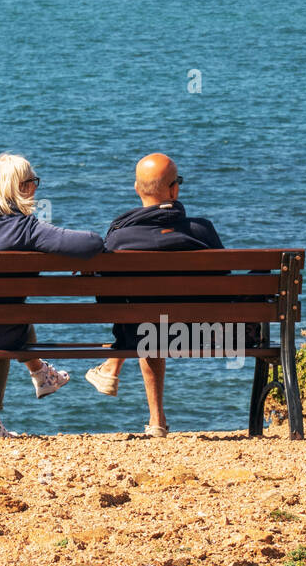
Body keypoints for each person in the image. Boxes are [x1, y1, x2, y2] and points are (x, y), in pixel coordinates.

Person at [0, 153, 104, 438]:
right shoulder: (25, 227)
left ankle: (32, 385)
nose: (36, 188)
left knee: (3, 313)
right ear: (20, 187)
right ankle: (39, 375)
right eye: (32, 182)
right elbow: (91, 242)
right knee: (9, 318)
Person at [85, 153, 224, 438]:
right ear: (174, 190)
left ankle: (122, 378)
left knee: (142, 318)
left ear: (137, 189)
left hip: (144, 332)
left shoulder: (119, 239)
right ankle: (154, 416)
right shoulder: (202, 230)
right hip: (207, 333)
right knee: (151, 320)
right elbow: (223, 286)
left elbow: (107, 302)